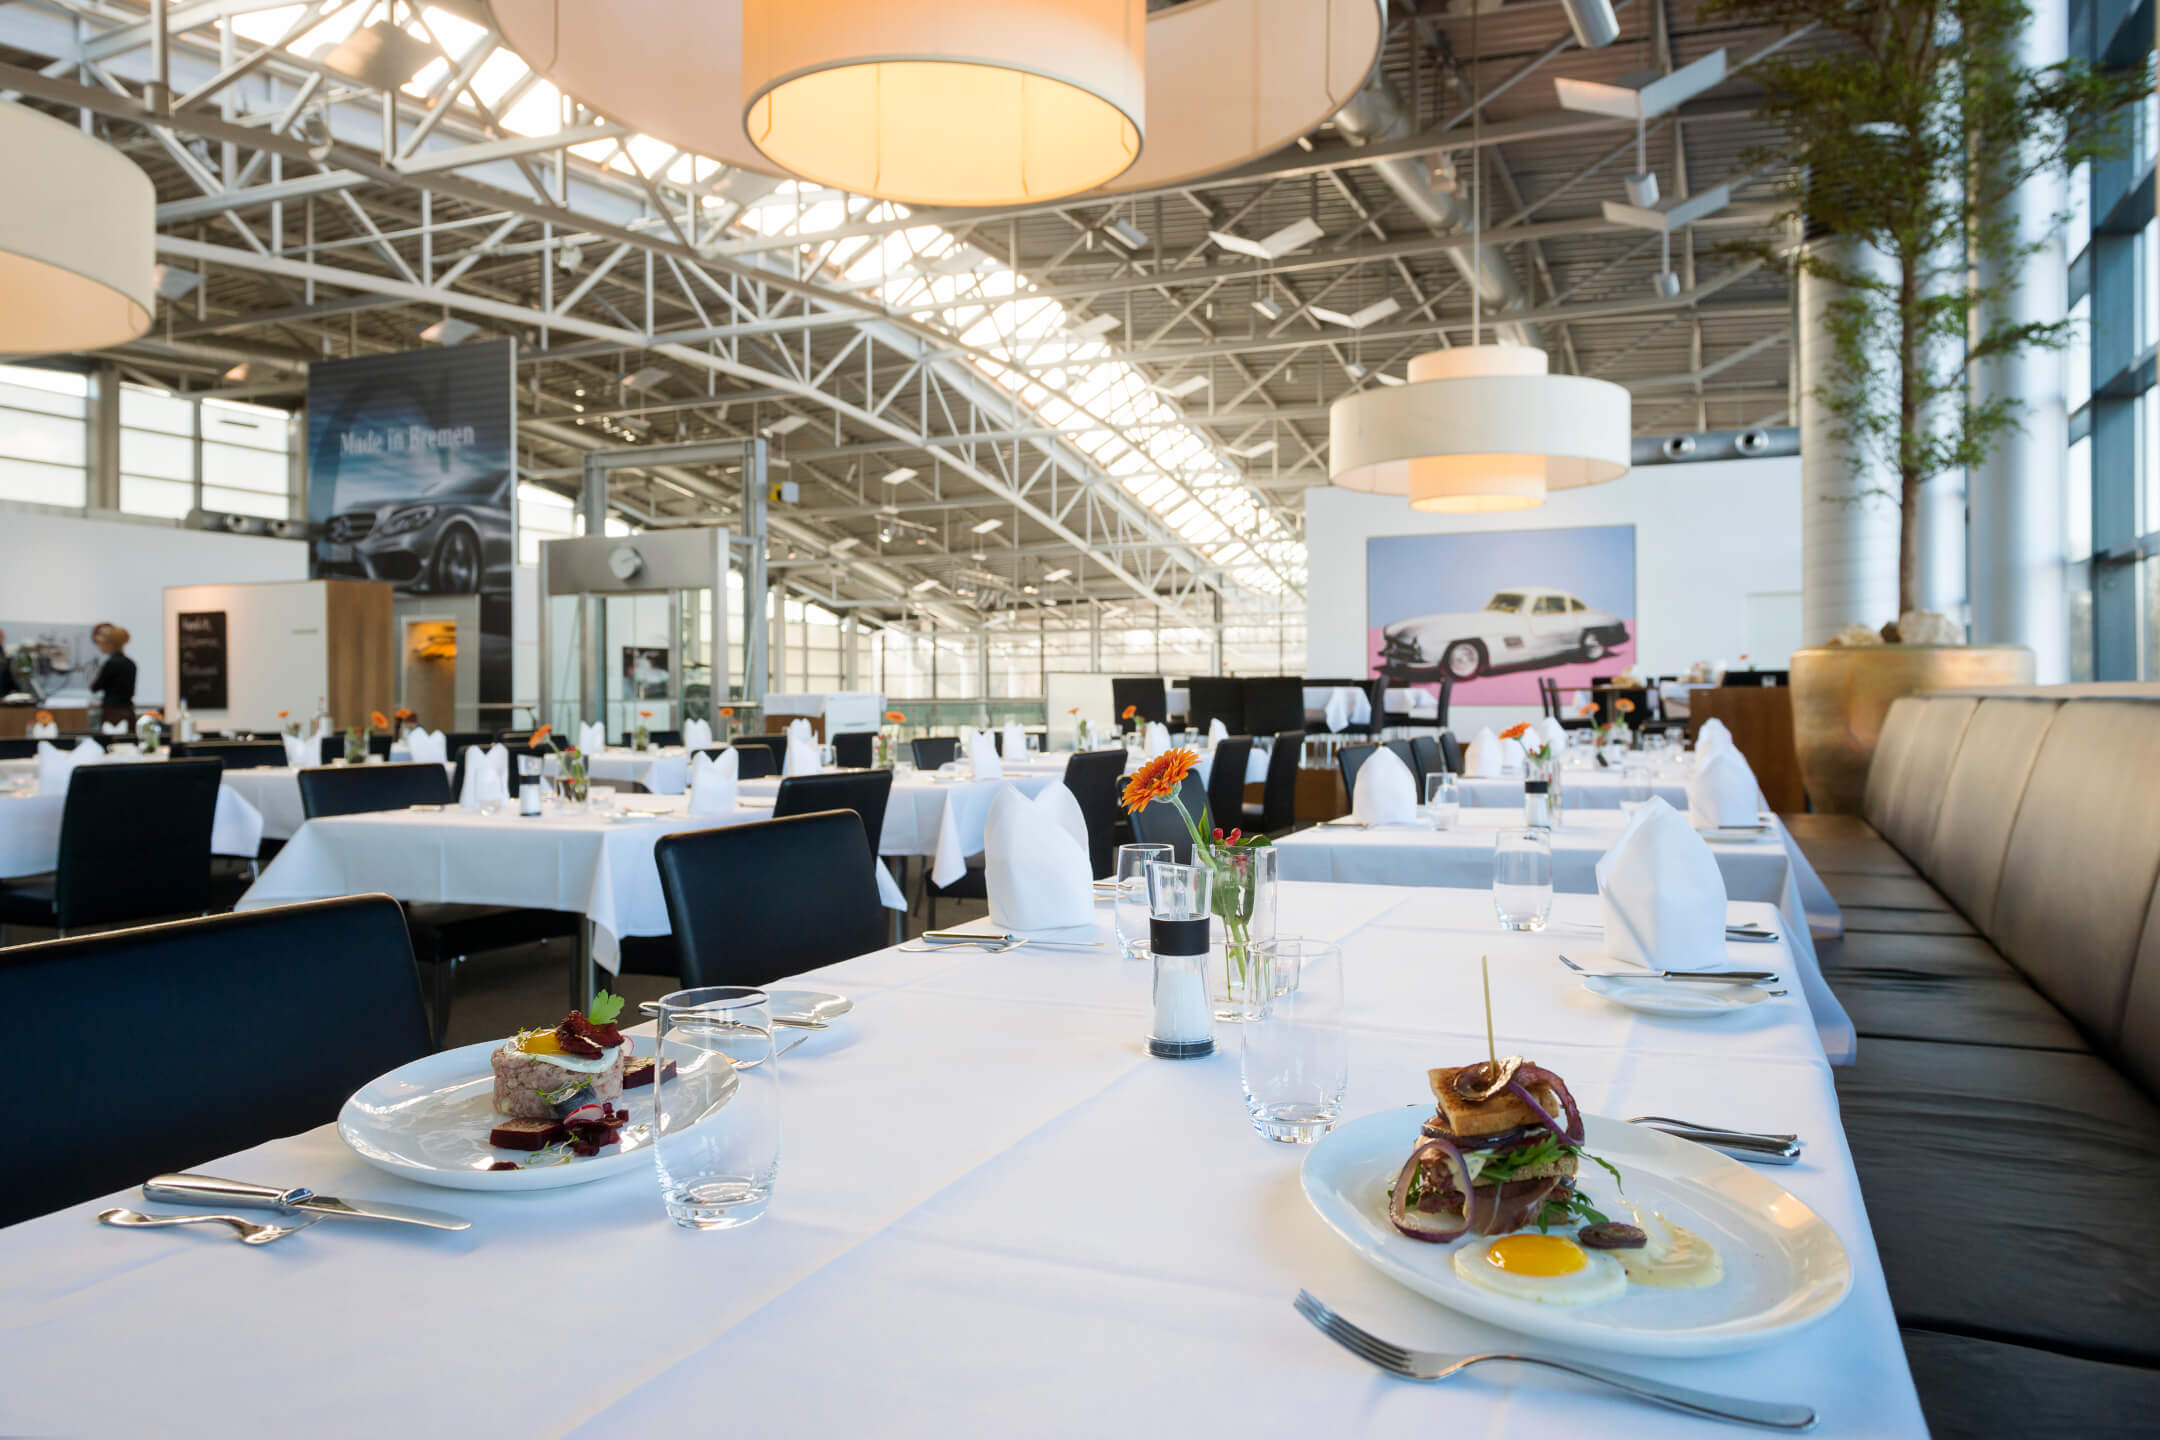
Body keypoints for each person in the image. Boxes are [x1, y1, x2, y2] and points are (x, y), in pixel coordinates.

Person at [90, 624, 136, 727]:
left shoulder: (111, 663)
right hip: (128, 710)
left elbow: (95, 687)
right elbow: (128, 691)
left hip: (112, 713)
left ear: (108, 644)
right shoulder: (130, 663)